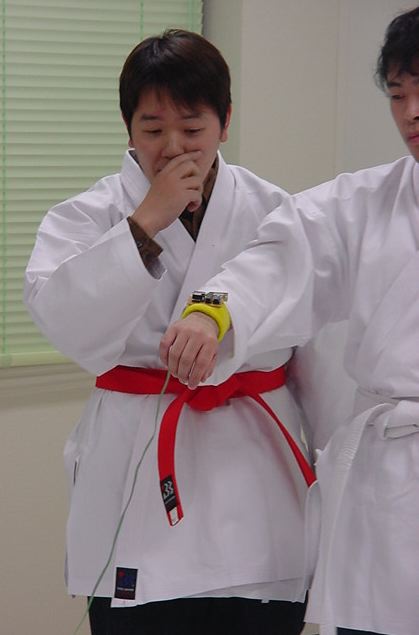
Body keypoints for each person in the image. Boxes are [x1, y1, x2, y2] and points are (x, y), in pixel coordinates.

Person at [24, 29, 313, 635]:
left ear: (225, 121)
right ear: (128, 129)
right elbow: (67, 324)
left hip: (255, 477)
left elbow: (313, 341)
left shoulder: (277, 211)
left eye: (192, 128)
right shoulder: (86, 216)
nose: (174, 147)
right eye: (153, 130)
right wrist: (144, 223)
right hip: (136, 470)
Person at [160, 7, 419, 635]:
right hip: (393, 493)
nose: (411, 112)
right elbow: (280, 257)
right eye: (397, 94)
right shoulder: (364, 203)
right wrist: (211, 311)